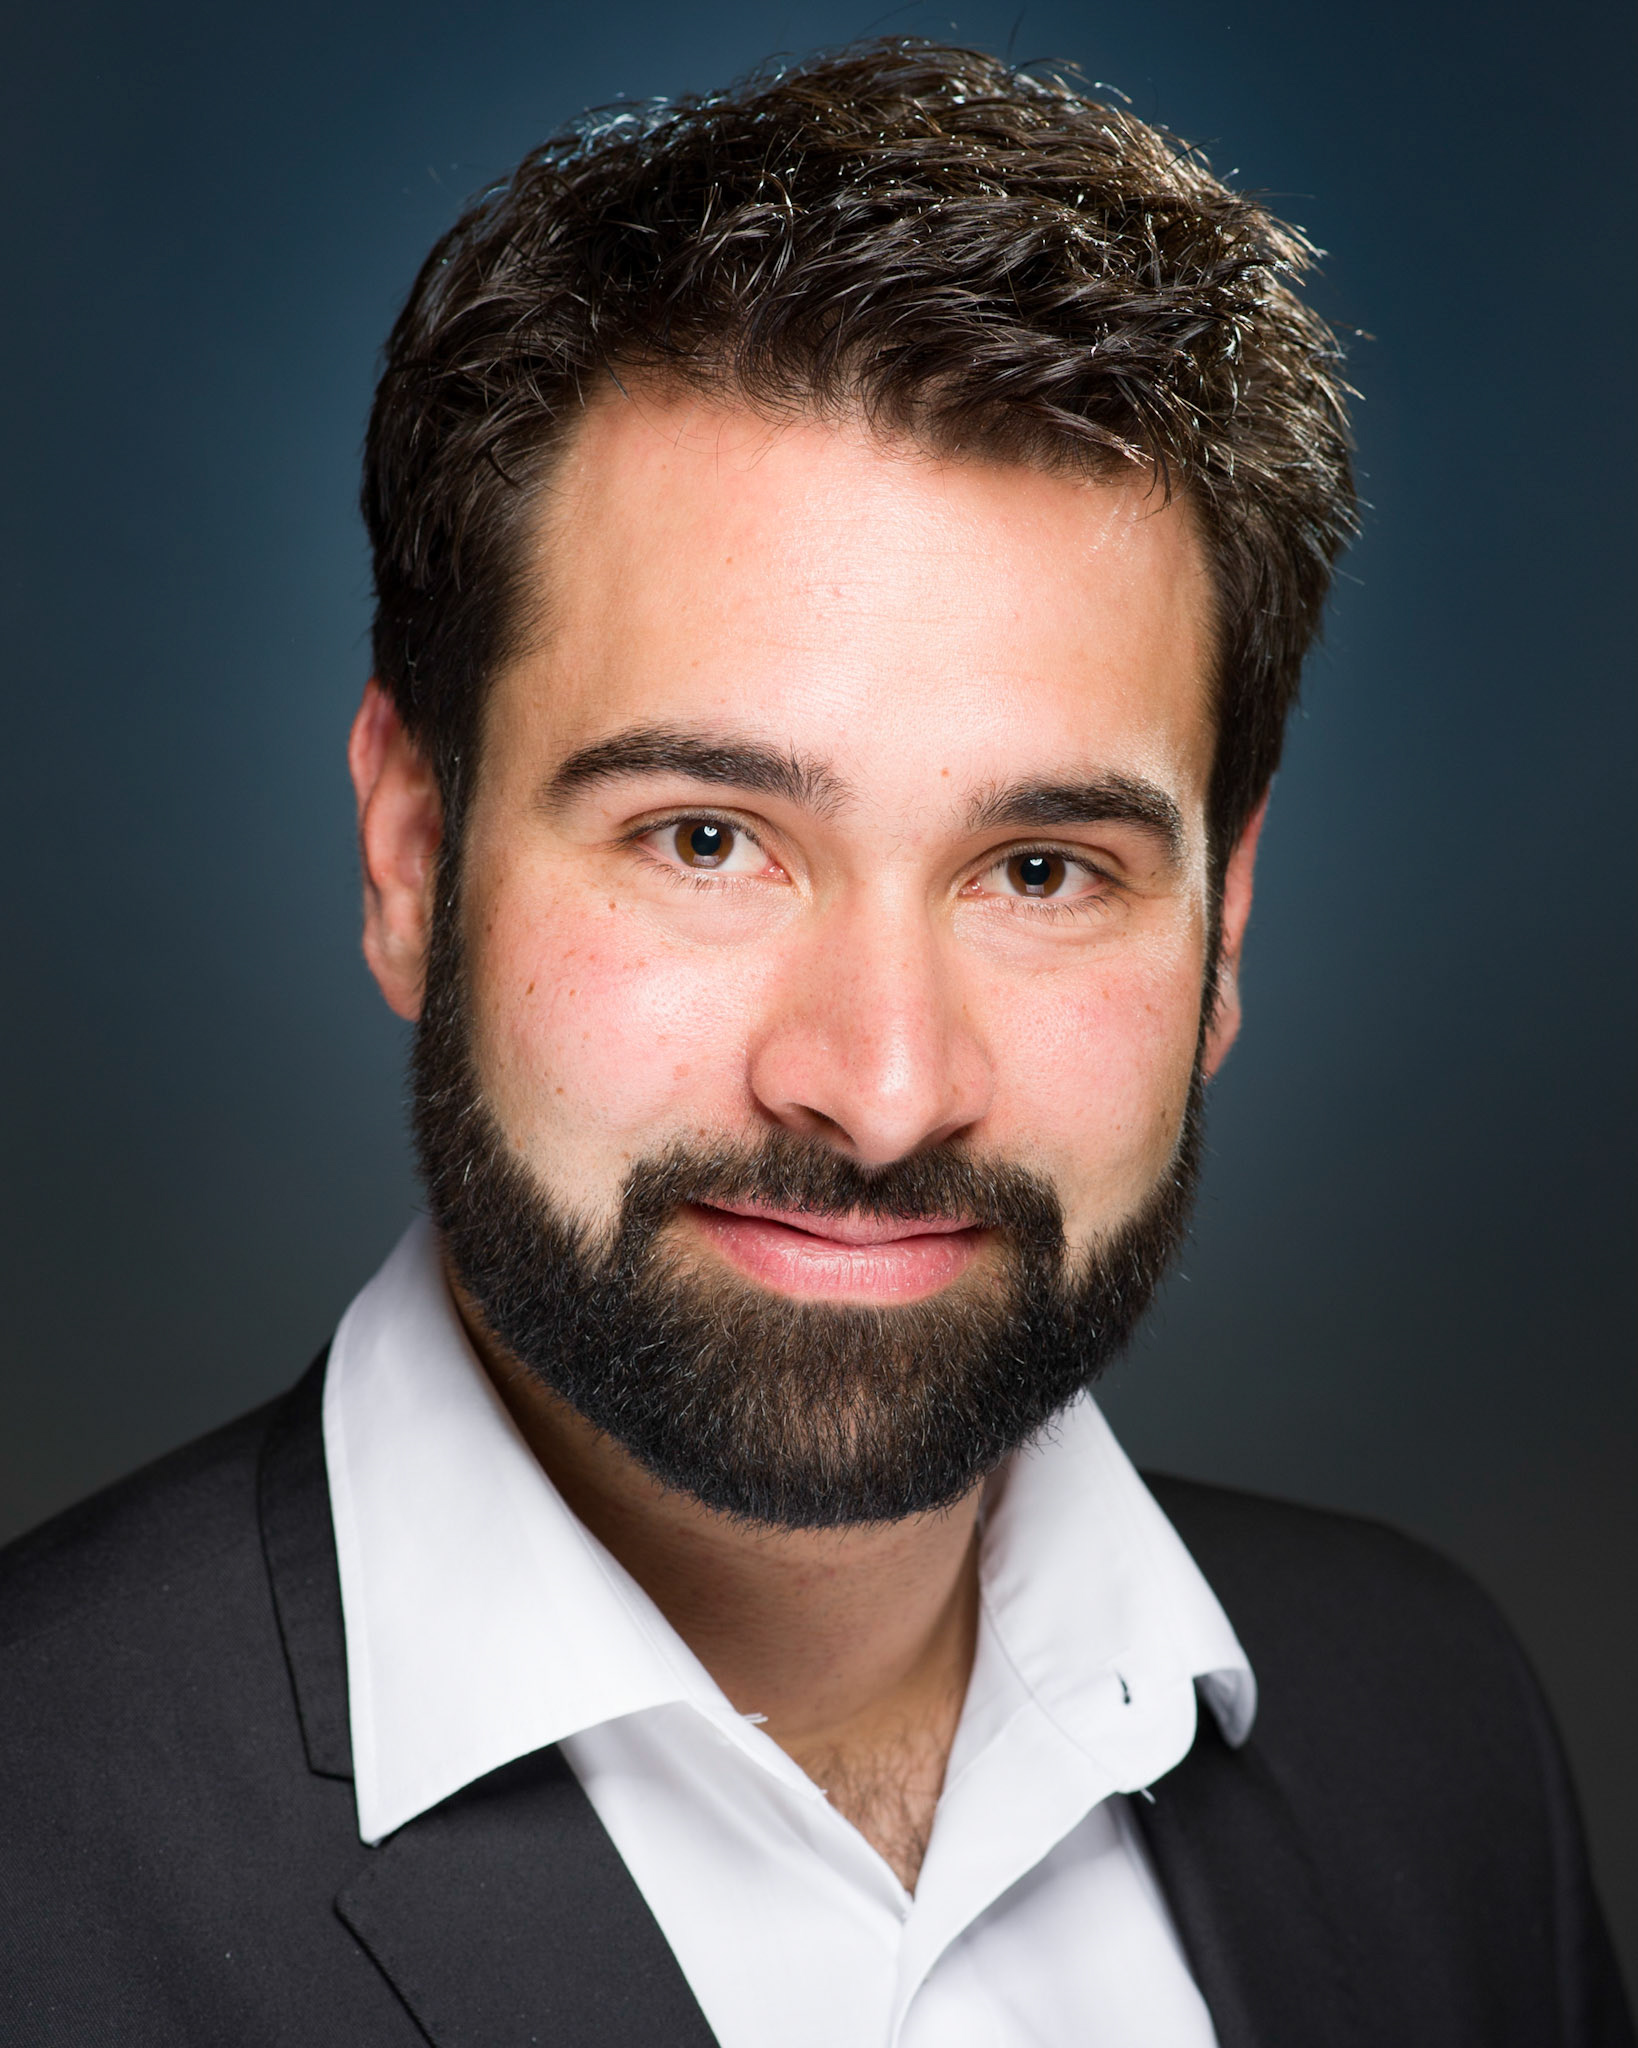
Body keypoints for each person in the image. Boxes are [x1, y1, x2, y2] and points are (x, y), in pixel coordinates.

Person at [0, 38, 1628, 2048]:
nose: (879, 1088)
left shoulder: (1435, 1742)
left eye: (1039, 869)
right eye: (707, 839)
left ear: (1226, 924)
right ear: (412, 853)